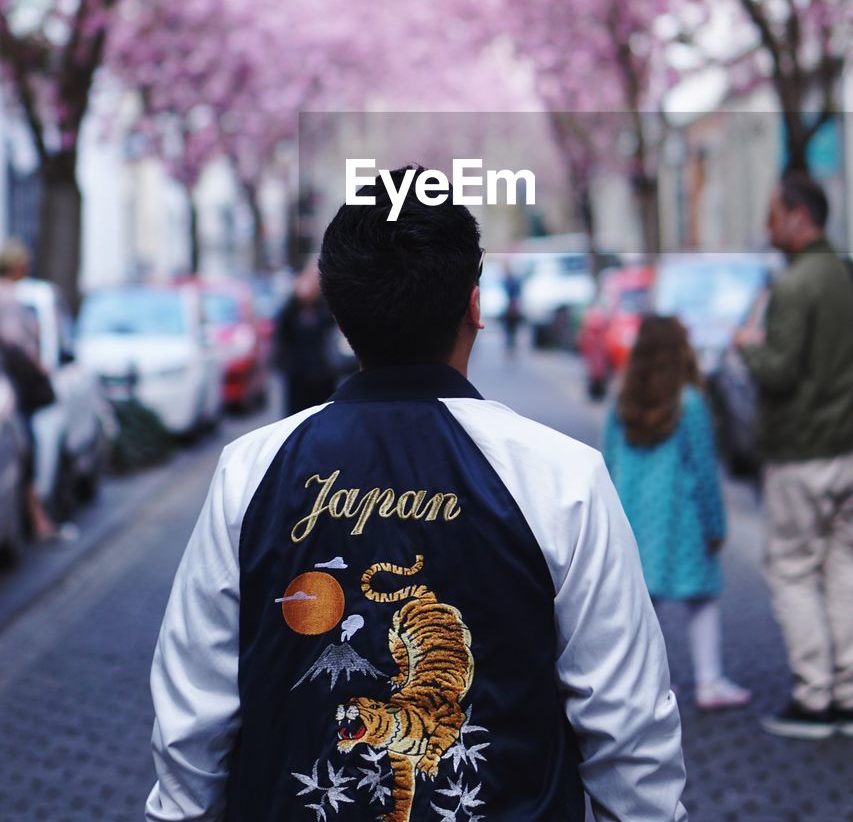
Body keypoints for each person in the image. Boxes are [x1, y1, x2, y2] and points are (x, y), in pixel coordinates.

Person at [147, 167, 686, 822]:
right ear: (475, 306)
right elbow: (628, 729)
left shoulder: (251, 472)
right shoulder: (562, 478)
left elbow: (191, 723)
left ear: (340, 320)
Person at [735, 172, 853, 739]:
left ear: (799, 216)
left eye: (774, 214)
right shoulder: (844, 275)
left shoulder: (794, 286)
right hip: (847, 450)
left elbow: (778, 374)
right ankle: (849, 694)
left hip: (800, 451)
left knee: (793, 571)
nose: (768, 225)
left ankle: (814, 698)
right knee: (844, 567)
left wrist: (747, 351)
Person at [603, 316, 750, 712]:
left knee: (641, 608)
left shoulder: (622, 400)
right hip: (682, 520)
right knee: (701, 600)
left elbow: (608, 460)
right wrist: (716, 524)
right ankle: (709, 681)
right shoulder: (690, 403)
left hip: (632, 517)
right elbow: (704, 469)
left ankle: (645, 685)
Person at [0, 238, 72, 543]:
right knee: (26, 456)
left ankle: (38, 521)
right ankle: (39, 523)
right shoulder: (9, 298)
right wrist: (39, 362)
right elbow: (18, 344)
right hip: (16, 393)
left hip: (13, 391)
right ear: (17, 266)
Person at [273, 263, 338, 415]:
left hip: (322, 372)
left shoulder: (323, 306)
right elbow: (282, 331)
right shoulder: (292, 307)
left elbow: (330, 326)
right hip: (298, 374)